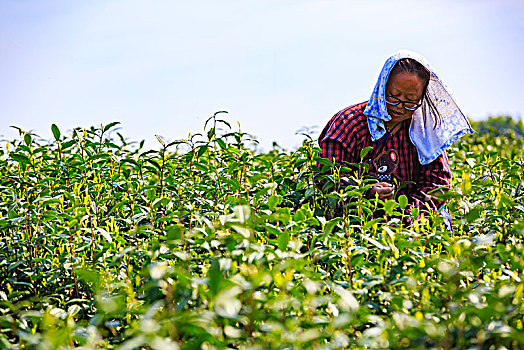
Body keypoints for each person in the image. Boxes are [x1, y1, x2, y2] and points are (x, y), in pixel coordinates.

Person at [318, 50, 473, 224]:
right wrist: (366, 192)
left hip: (410, 221)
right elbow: (328, 178)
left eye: (410, 100)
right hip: (356, 216)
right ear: (382, 87)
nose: (399, 106)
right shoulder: (348, 123)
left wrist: (404, 216)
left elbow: (438, 183)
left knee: (442, 220)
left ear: (422, 98)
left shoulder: (424, 132)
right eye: (394, 96)